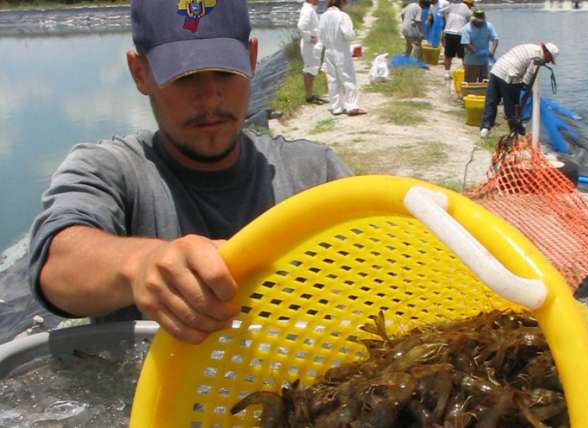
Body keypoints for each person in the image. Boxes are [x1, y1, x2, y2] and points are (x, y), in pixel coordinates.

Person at [27, 0, 352, 344]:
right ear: (140, 73)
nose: (210, 97)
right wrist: (142, 265)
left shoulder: (316, 172)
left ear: (252, 60)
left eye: (226, 72)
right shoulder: (110, 170)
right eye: (185, 76)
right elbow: (56, 262)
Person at [479, 42, 559, 138]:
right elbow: (527, 79)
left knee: (491, 101)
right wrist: (526, 92)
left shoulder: (531, 47)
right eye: (550, 59)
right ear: (547, 53)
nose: (548, 62)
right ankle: (515, 133)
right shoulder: (538, 57)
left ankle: (485, 129)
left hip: (497, 69)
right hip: (509, 75)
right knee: (512, 108)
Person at [318, 0, 366, 116]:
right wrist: (354, 33)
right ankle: (352, 107)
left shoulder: (323, 16)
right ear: (342, 2)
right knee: (348, 79)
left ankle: (336, 108)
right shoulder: (343, 16)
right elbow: (348, 34)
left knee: (333, 80)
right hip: (341, 52)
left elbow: (321, 36)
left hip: (328, 52)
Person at [297, 0, 327, 105]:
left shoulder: (309, 9)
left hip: (311, 46)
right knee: (309, 70)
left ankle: (310, 95)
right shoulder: (308, 10)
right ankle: (309, 97)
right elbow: (301, 26)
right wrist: (309, 38)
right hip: (309, 46)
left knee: (312, 69)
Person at [460, 9, 498, 83]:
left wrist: (492, 51)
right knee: (470, 82)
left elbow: (495, 39)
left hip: (485, 62)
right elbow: (465, 43)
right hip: (471, 62)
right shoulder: (467, 28)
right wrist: (477, 51)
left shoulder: (488, 26)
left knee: (485, 83)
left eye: (481, 21)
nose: (479, 23)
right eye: (477, 21)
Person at [442, 0, 473, 79]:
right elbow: (472, 23)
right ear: (468, 3)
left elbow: (441, 12)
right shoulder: (467, 9)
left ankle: (446, 73)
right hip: (460, 34)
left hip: (449, 33)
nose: (471, 6)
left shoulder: (451, 6)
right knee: (464, 56)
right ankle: (466, 75)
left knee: (448, 55)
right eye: (471, 5)